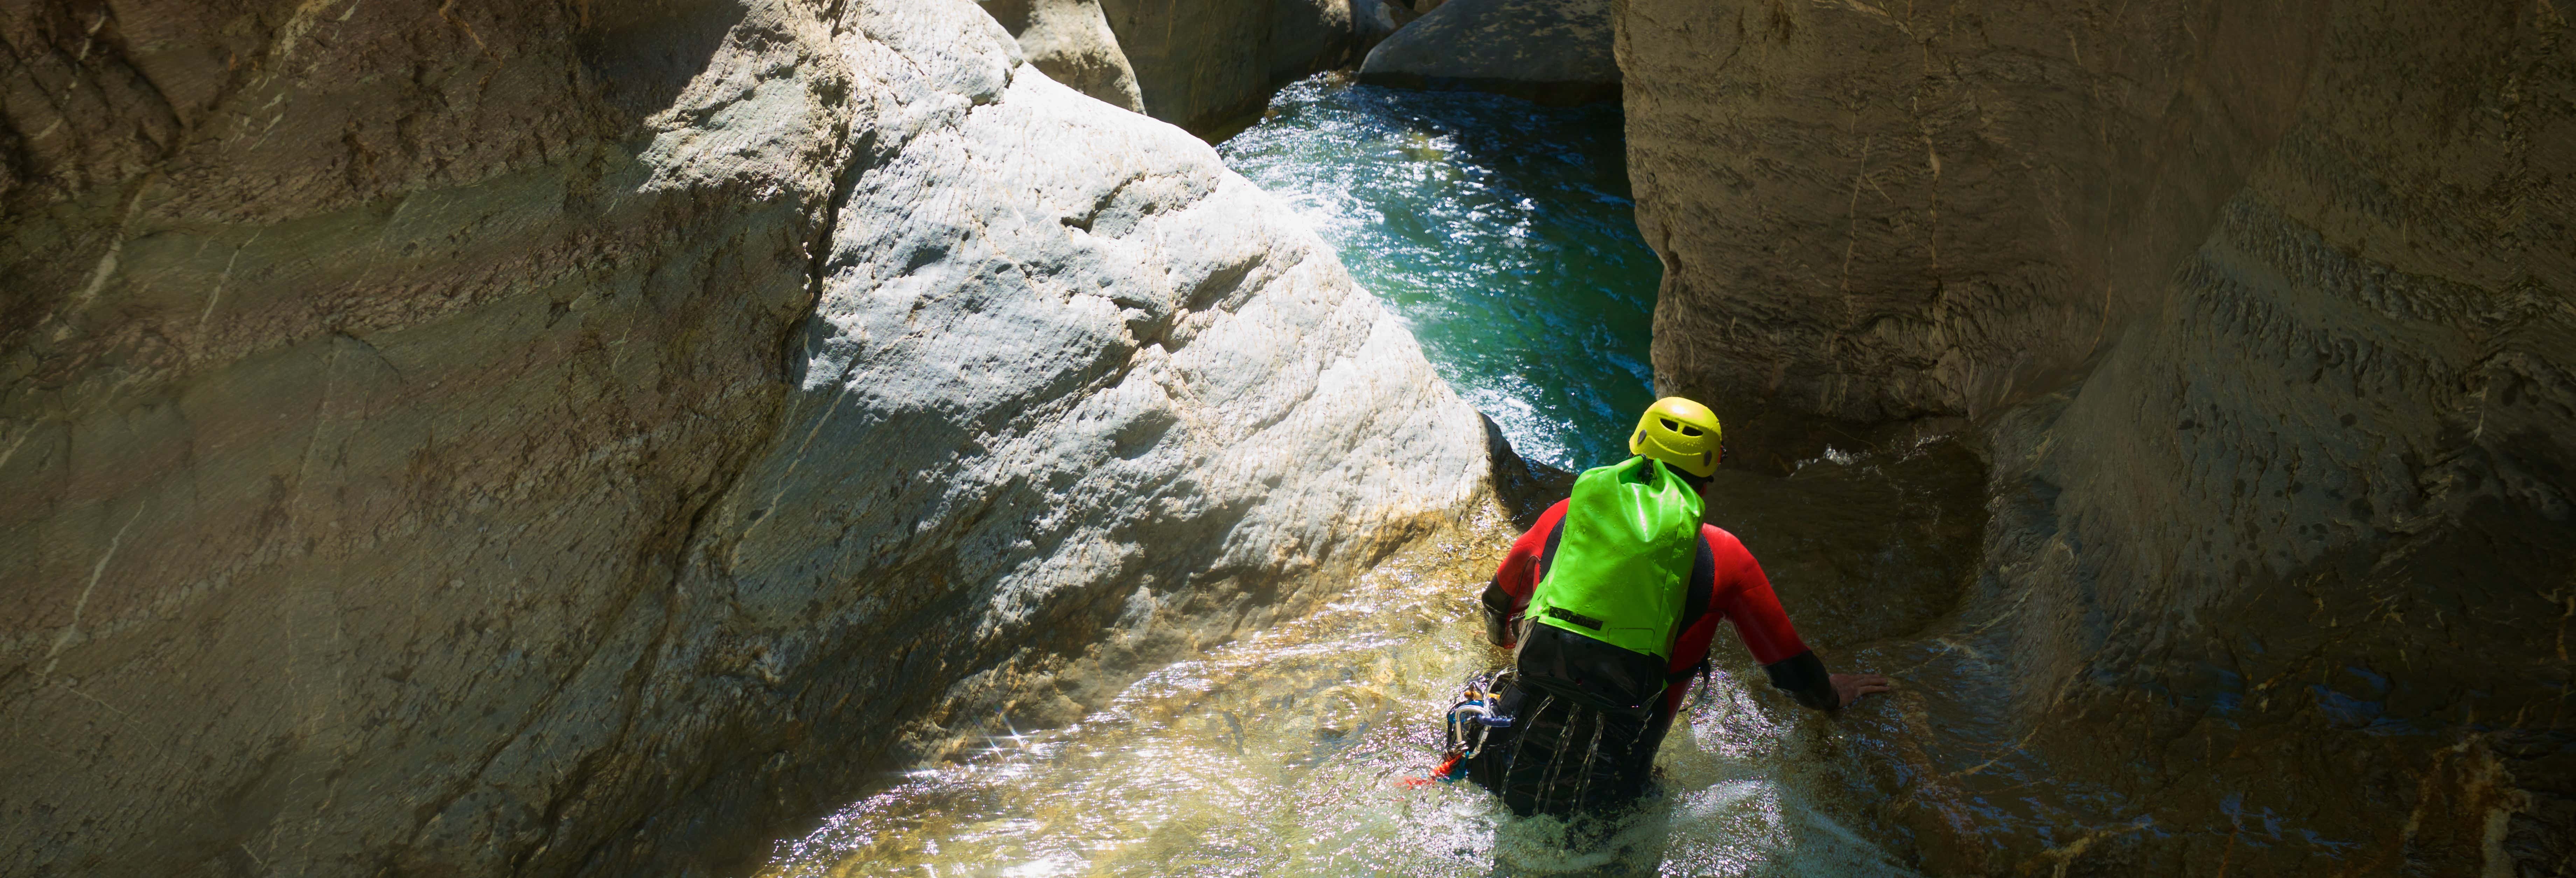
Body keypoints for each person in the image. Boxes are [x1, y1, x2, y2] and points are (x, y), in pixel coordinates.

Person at [1451, 396, 1892, 816]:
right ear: (1712, 465)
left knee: (1478, 694)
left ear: (1637, 445)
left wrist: (1504, 644)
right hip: (1616, 777)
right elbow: (1793, 673)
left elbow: (1496, 604)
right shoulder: (1727, 558)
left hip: (1505, 753)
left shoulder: (1565, 514)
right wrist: (1832, 695)